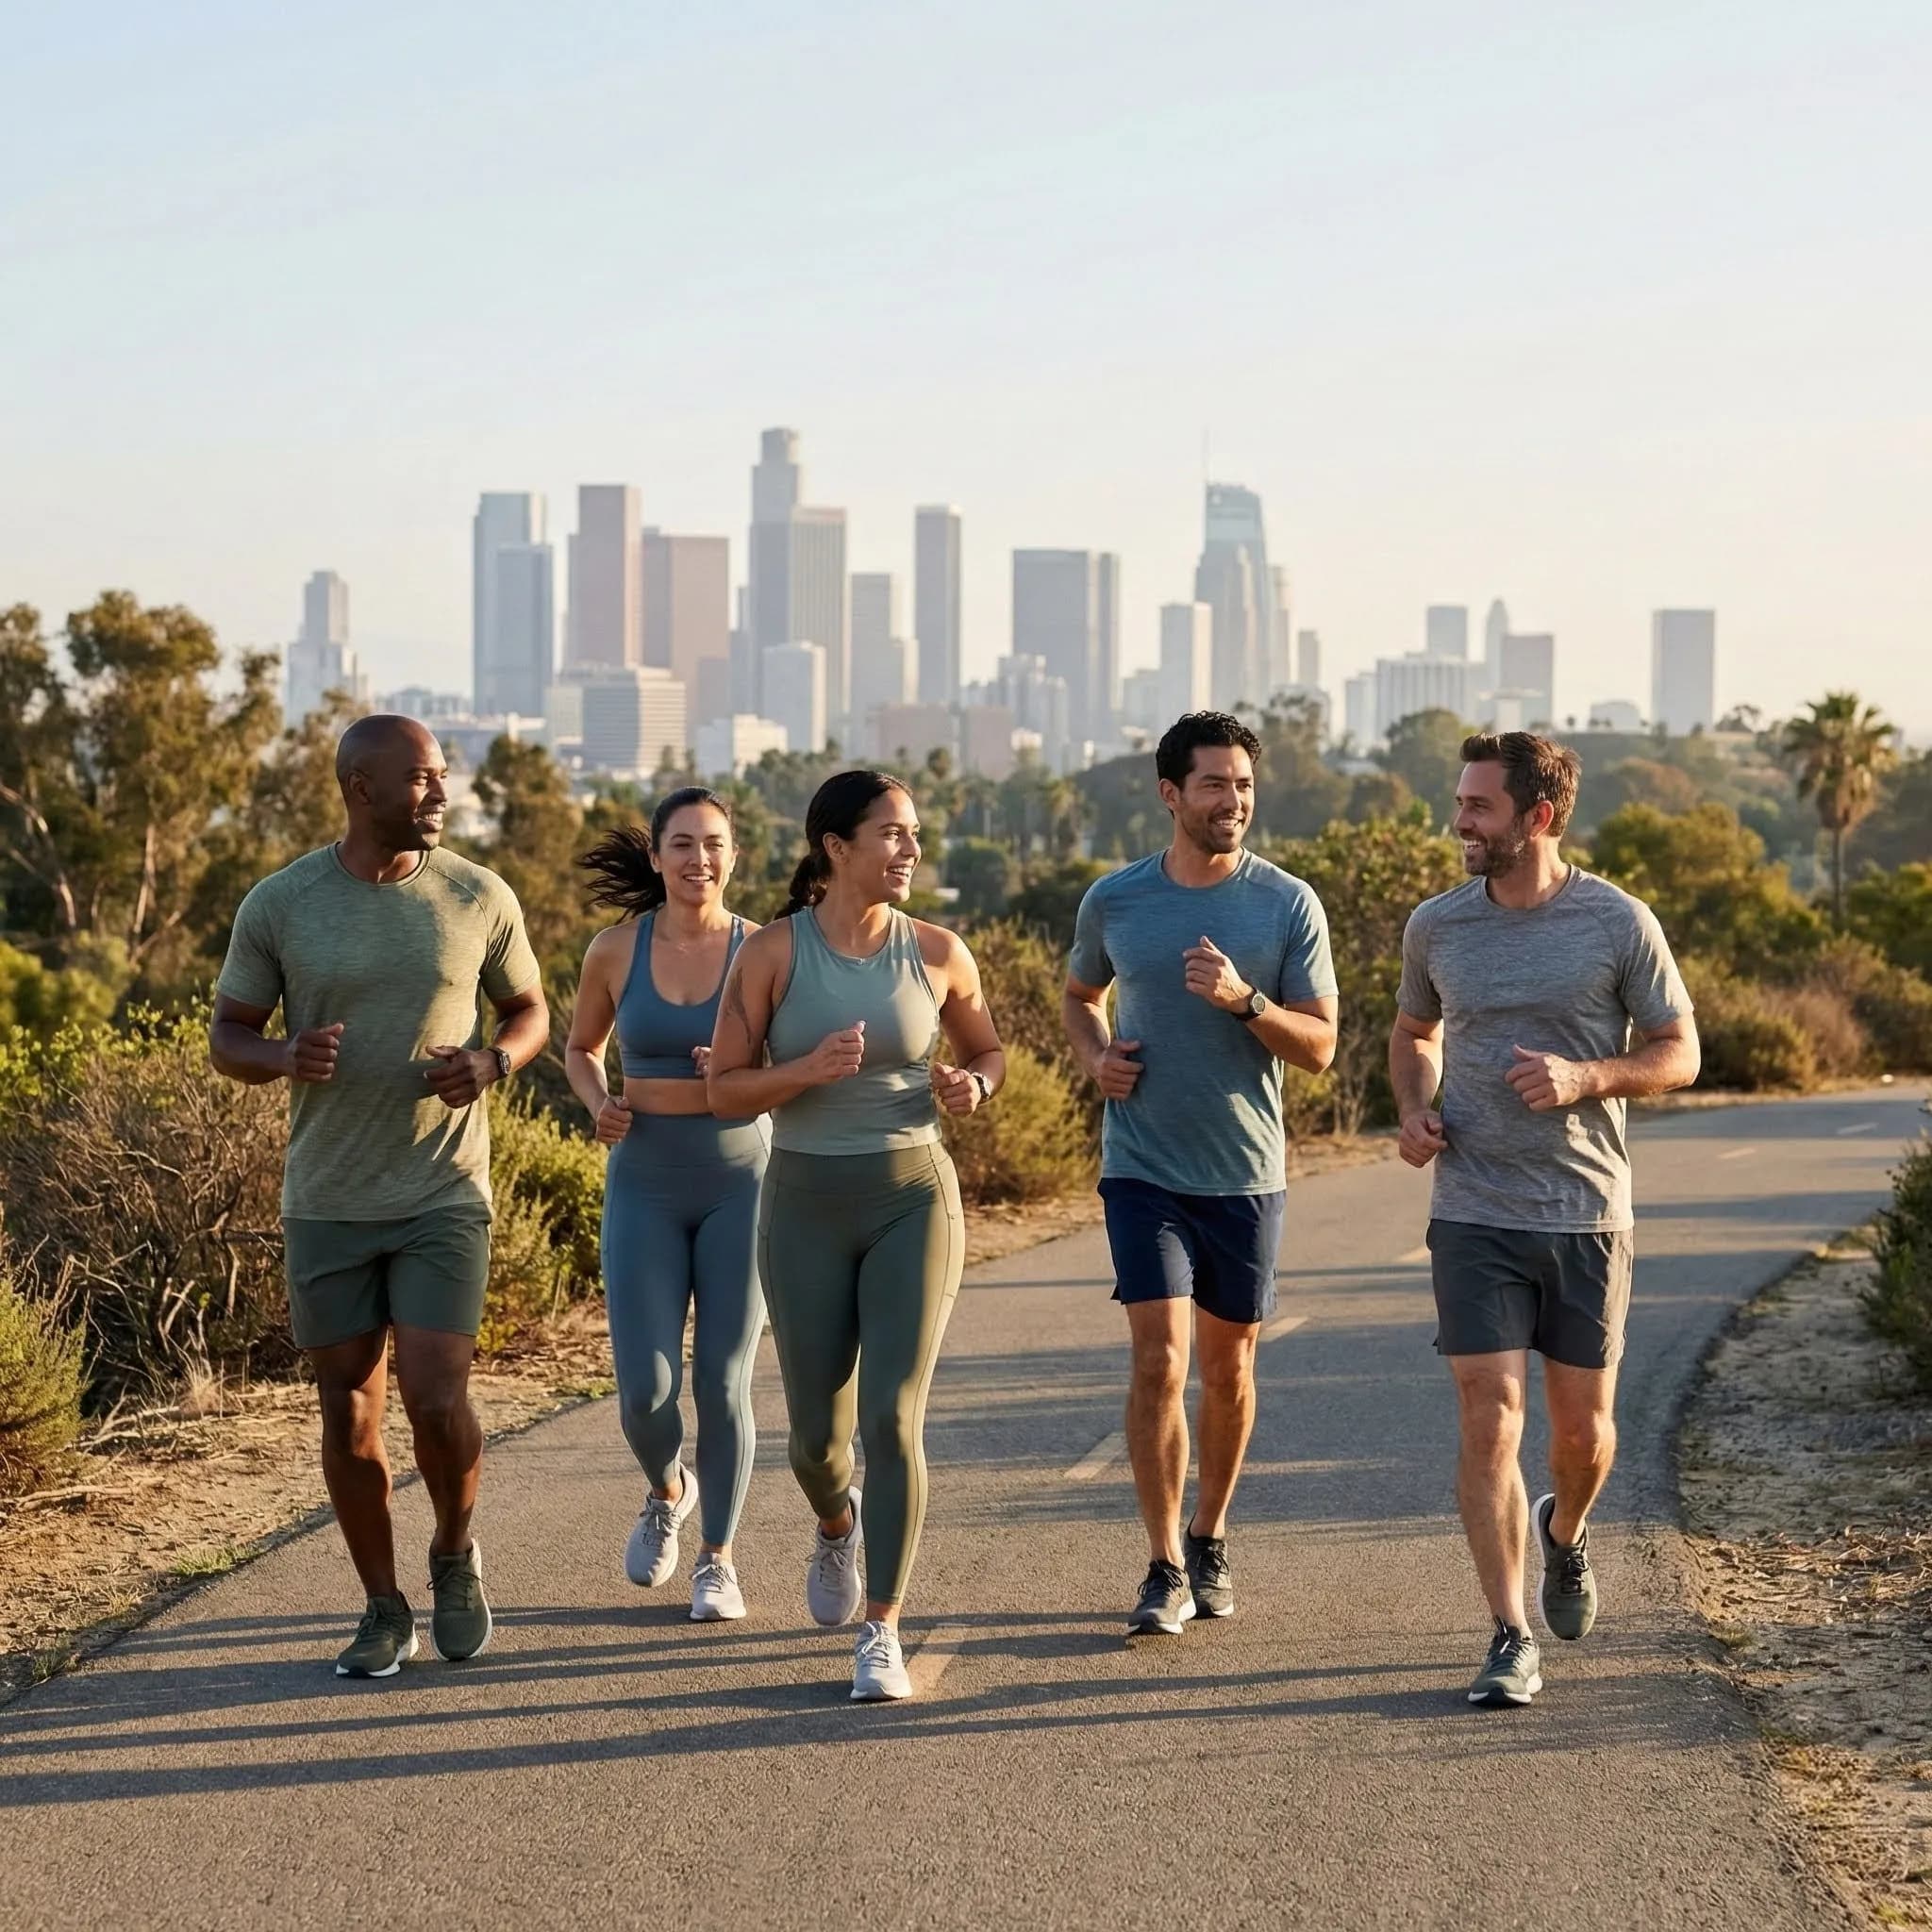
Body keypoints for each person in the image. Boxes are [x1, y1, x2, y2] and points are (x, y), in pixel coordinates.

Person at [209, 715, 547, 1678]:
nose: (440, 794)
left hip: (443, 1189)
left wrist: (492, 1059)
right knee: (347, 1409)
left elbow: (528, 1010)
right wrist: (280, 1054)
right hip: (327, 1197)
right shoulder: (282, 904)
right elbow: (227, 1032)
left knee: (435, 1396)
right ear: (360, 786)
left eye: (442, 777)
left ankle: (452, 1552)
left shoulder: (478, 894)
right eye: (421, 780)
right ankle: (381, 1604)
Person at [1389, 730, 1700, 1709]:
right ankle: (1506, 1631)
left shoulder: (1615, 921)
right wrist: (1413, 1104)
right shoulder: (1437, 925)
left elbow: (1677, 1048)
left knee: (1584, 1432)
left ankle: (1562, 1532)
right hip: (1472, 1207)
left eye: (1478, 807)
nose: (1459, 822)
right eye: (1460, 802)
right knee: (1488, 1414)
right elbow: (1412, 1031)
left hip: (1582, 1212)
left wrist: (1585, 1075)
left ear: (1539, 815)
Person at [707, 770, 1004, 1701]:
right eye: (892, 834)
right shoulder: (770, 954)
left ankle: (882, 1627)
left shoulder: (938, 950)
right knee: (812, 1442)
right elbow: (723, 1088)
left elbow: (987, 1049)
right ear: (836, 847)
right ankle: (837, 1524)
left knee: (892, 1416)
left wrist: (973, 1086)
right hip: (800, 1197)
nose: (909, 850)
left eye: (913, 833)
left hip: (912, 1191)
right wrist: (801, 1069)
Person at [1062, 711, 1339, 1640]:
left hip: (1243, 1170)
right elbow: (1077, 994)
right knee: (1160, 1359)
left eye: (1244, 785)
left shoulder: (1285, 903)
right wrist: (1095, 1057)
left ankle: (1209, 1530)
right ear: (1170, 794)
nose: (1233, 801)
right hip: (1140, 1165)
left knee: (1227, 1368)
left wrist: (1244, 998)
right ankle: (1162, 1561)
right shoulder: (1115, 899)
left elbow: (1320, 1048)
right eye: (1214, 784)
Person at [565, 788, 767, 1623]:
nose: (699, 861)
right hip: (643, 1180)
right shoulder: (615, 950)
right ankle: (668, 1489)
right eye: (681, 845)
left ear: (733, 855)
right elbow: (580, 1047)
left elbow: (791, 1062)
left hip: (740, 1183)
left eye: (714, 844)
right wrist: (597, 1101)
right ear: (656, 857)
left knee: (722, 1383)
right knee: (644, 1395)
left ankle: (717, 1559)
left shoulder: (763, 950)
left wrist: (740, 1063)